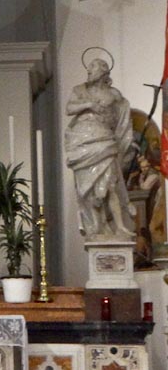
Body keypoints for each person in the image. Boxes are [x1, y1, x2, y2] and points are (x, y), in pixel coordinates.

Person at [64, 57, 135, 238]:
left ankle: (120, 226)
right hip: (82, 141)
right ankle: (97, 226)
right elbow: (69, 109)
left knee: (111, 184)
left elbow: (121, 115)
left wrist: (121, 135)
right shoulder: (79, 90)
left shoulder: (114, 94)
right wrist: (89, 104)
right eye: (89, 67)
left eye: (93, 67)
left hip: (104, 139)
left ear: (103, 71)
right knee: (89, 189)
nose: (89, 70)